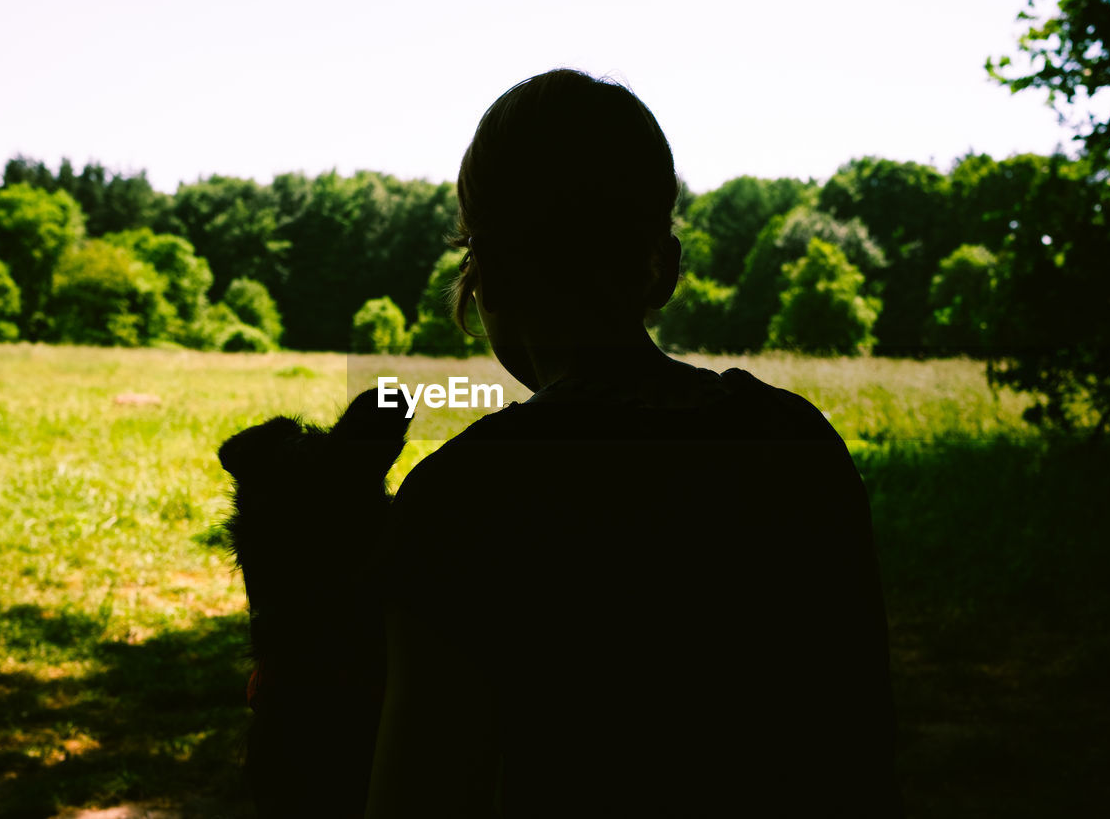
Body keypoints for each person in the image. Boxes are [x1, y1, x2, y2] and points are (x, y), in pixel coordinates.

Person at [365, 69, 900, 817]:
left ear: (485, 271)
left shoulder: (461, 499)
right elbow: (860, 753)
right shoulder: (794, 446)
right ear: (664, 268)